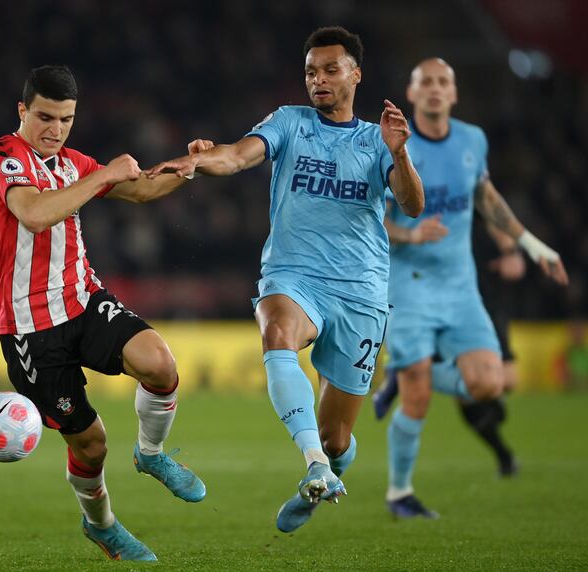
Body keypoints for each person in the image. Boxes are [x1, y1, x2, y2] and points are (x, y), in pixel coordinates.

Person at [146, 26, 424, 533]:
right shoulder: (290, 122)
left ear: (355, 74)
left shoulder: (377, 139)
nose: (318, 79)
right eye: (311, 71)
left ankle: (326, 468)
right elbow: (235, 154)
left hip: (361, 289)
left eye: (330, 69)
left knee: (338, 437)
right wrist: (195, 161)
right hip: (293, 276)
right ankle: (314, 464)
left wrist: (400, 153)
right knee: (277, 330)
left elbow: (411, 203)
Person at [0, 65, 206, 562]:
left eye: (66, 120)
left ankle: (150, 454)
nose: (55, 130)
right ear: (22, 111)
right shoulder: (4, 157)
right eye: (44, 117)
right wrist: (103, 173)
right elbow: (35, 215)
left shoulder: (70, 161)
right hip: (31, 330)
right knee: (92, 445)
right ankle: (101, 525)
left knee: (160, 364)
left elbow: (142, 188)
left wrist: (189, 166)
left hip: (83, 301)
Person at [375, 58, 568, 519]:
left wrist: (532, 246)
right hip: (409, 283)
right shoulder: (394, 147)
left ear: (454, 93)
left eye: (445, 82)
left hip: (461, 287)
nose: (437, 89)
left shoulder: (471, 140)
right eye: (427, 83)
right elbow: (374, 219)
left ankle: (404, 374)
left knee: (489, 384)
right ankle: (400, 493)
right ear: (413, 93)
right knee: (419, 396)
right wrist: (410, 234)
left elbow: (486, 198)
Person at [373, 219, 524, 478]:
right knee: (468, 394)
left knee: (506, 381)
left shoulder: (467, 184)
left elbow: (493, 211)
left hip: (481, 293)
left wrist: (511, 252)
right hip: (433, 293)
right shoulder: (406, 192)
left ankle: (403, 370)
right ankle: (504, 455)